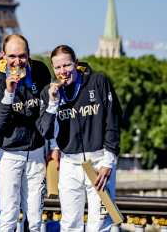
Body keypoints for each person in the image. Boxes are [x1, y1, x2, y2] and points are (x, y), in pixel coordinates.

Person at [36, 45, 122, 232]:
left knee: (99, 225)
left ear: (76, 63)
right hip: (70, 165)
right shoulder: (48, 93)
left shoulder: (99, 83)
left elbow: (113, 120)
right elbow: (45, 131)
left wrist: (108, 161)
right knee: (69, 224)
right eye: (57, 68)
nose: (62, 72)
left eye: (66, 65)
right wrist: (52, 104)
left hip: (99, 163)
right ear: (52, 68)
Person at [0, 34, 52, 232]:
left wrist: (53, 148)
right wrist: (9, 93)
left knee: (36, 220)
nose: (17, 61)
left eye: (22, 56)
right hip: (8, 155)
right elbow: (0, 123)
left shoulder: (39, 70)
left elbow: (48, 113)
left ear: (29, 54)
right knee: (7, 218)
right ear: (3, 55)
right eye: (12, 56)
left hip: (37, 153)